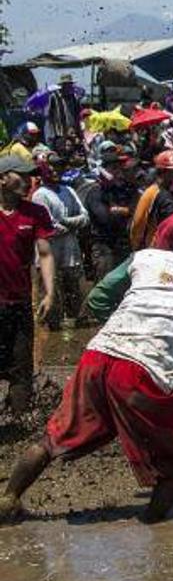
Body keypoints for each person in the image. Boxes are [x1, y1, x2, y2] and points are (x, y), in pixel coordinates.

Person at [1, 217, 173, 525]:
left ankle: (8, 499)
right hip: (142, 372)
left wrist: (126, 326)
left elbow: (98, 299)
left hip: (98, 355)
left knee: (52, 438)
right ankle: (153, 527)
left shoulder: (147, 257)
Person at [0, 155, 56, 416]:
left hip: (20, 302)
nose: (28, 181)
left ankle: (21, 424)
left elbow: (44, 253)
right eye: (21, 175)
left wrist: (49, 293)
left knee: (21, 366)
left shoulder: (35, 212)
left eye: (30, 176)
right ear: (2, 179)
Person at [31, 156, 89, 330]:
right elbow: (49, 226)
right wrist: (71, 224)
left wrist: (67, 222)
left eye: (60, 166)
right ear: (43, 170)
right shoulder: (40, 195)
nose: (56, 170)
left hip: (70, 248)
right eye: (52, 167)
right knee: (50, 288)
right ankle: (51, 325)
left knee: (73, 285)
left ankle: (75, 320)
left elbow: (85, 217)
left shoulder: (68, 191)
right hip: (49, 248)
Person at [85, 149, 140, 279]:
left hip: (123, 244)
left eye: (119, 168)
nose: (118, 172)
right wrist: (125, 211)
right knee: (106, 283)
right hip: (104, 247)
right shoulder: (96, 191)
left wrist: (122, 210)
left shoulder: (123, 189)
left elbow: (137, 208)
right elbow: (106, 218)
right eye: (114, 168)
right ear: (104, 170)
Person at [130, 150, 173, 250]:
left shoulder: (172, 192)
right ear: (163, 172)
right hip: (156, 250)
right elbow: (138, 224)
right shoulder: (154, 194)